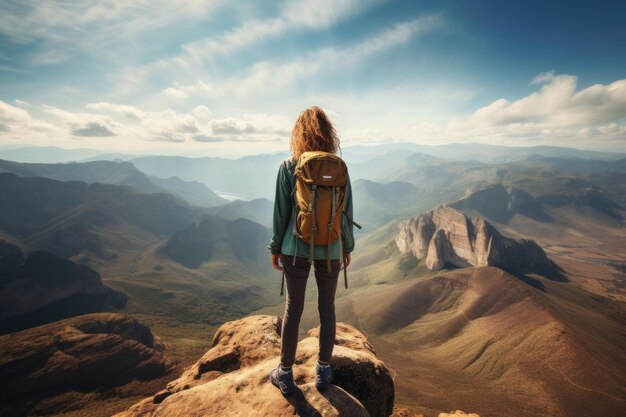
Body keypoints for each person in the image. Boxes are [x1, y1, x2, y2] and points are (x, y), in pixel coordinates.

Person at [267, 106, 355, 396]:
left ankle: (285, 373)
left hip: (295, 247)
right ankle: (323, 371)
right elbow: (345, 212)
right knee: (327, 308)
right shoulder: (339, 166)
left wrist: (276, 247)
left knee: (294, 308)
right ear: (329, 134)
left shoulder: (289, 166)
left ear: (298, 134)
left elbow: (281, 212)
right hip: (331, 248)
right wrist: (347, 246)